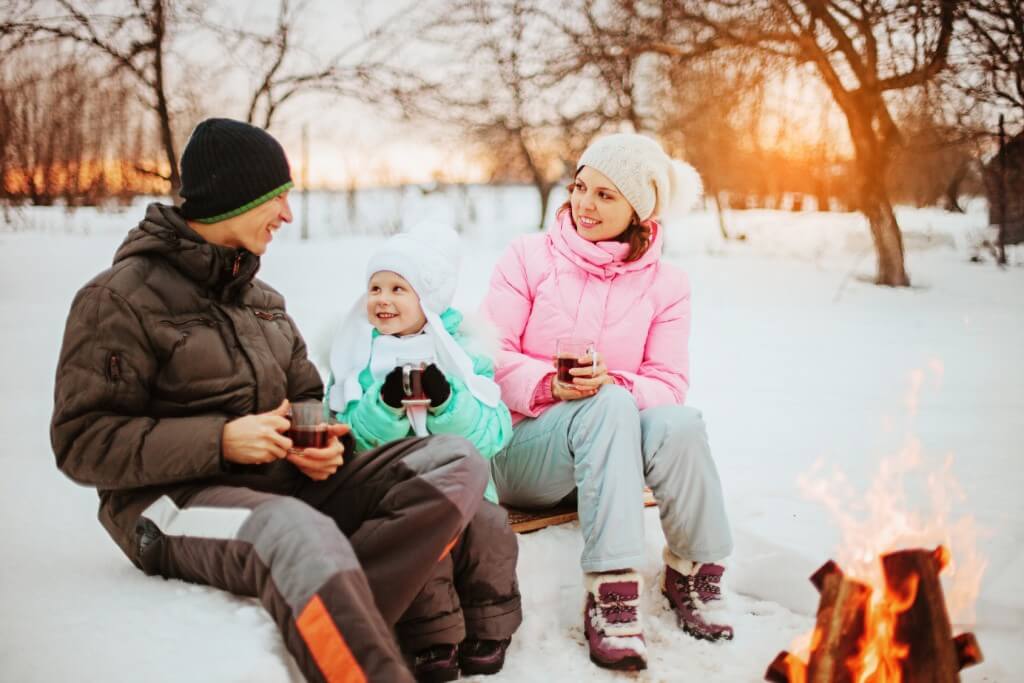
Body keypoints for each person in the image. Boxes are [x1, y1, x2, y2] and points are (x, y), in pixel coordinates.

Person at [50, 118, 498, 683]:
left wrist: (318, 442)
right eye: (278, 198)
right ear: (234, 197)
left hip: (281, 486)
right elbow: (80, 442)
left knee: (453, 460)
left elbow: (306, 395)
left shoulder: (264, 302)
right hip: (168, 506)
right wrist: (221, 440)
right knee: (292, 530)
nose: (287, 214)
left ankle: (339, 606)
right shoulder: (116, 300)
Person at [482, 133, 735, 672]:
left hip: (608, 449)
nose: (584, 205)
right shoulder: (528, 258)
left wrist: (612, 382)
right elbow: (485, 360)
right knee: (609, 407)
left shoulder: (668, 285)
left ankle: (692, 571)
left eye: (606, 195)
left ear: (638, 210)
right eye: (580, 187)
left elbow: (667, 383)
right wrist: (550, 385)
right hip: (522, 449)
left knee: (681, 423)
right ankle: (611, 592)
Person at [326, 224, 520, 681]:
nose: (383, 299)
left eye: (398, 288)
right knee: (423, 534)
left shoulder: (463, 355)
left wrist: (448, 403)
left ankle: (490, 624)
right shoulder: (353, 359)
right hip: (395, 487)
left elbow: (495, 432)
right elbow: (347, 434)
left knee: (488, 528)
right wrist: (385, 404)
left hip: (468, 484)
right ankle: (432, 635)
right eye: (375, 287)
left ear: (427, 300)